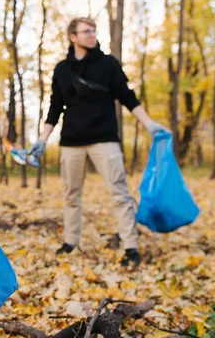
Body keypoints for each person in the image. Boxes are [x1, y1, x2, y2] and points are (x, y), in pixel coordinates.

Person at [29, 17, 169, 268]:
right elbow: (54, 109)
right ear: (73, 37)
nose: (92, 35)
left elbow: (128, 98)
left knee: (119, 193)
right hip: (71, 142)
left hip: (104, 140)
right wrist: (41, 140)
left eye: (93, 31)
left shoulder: (108, 64)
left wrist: (150, 124)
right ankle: (71, 242)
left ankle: (131, 246)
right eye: (86, 31)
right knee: (71, 195)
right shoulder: (62, 69)